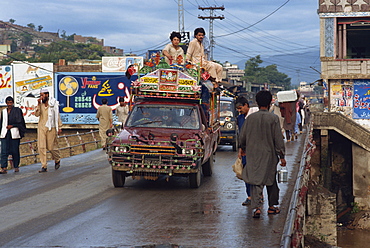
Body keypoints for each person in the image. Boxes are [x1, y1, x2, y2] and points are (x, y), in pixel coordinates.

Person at [238, 90, 286, 218]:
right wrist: (282, 156)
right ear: (270, 102)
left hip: (253, 155)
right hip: (269, 156)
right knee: (271, 181)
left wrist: (242, 148)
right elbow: (278, 139)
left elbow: (242, 137)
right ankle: (271, 207)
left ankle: (257, 208)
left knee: (255, 181)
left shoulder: (250, 119)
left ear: (257, 103)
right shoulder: (274, 119)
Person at [35, 88, 62, 173]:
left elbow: (57, 116)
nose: (41, 97)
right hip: (41, 127)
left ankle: (57, 159)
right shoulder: (41, 105)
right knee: (41, 147)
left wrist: (59, 127)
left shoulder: (53, 104)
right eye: (40, 95)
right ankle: (44, 166)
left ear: (47, 95)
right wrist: (38, 105)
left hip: (51, 127)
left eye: (42, 95)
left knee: (51, 147)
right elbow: (37, 114)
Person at [0, 96, 26, 174]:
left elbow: (20, 122)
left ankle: (16, 166)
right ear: (6, 103)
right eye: (8, 103)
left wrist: (13, 125)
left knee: (15, 150)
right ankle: (4, 167)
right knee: (4, 151)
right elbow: (1, 123)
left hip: (14, 133)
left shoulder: (17, 111)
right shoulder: (3, 111)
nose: (9, 104)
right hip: (5, 133)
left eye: (11, 102)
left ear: (13, 103)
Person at [235, 96, 251, 206]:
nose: (240, 111)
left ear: (246, 105)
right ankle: (250, 196)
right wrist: (240, 150)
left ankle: (258, 194)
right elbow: (240, 135)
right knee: (246, 173)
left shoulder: (253, 117)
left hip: (255, 149)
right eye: (238, 109)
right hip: (245, 150)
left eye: (241, 108)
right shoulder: (240, 118)